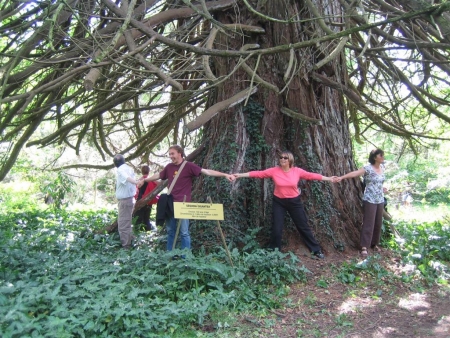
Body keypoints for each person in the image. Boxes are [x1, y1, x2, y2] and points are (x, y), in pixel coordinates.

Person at [233, 150, 336, 259]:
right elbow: (258, 173)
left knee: (303, 226)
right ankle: (274, 251)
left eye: (285, 158)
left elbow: (311, 176)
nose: (282, 159)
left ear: (290, 160)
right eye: (281, 157)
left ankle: (316, 250)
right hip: (279, 202)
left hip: (294, 202)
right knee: (277, 227)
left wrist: (329, 178)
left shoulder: (297, 171)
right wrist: (239, 175)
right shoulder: (274, 171)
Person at [143, 145, 234, 251]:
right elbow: (158, 175)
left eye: (173, 153)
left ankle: (185, 258)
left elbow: (207, 172)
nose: (170, 156)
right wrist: (145, 180)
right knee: (170, 231)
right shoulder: (169, 167)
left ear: (179, 153)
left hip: (183, 204)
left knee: (184, 232)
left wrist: (225, 175)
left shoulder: (189, 166)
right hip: (170, 203)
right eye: (170, 154)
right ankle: (169, 255)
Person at [335, 148, 387, 257]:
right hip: (369, 199)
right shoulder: (368, 168)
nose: (382, 157)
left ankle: (374, 243)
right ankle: (364, 246)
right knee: (369, 222)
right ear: (374, 157)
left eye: (382, 155)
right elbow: (355, 173)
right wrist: (342, 177)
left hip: (380, 199)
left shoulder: (382, 167)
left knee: (378, 223)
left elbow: (380, 182)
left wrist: (383, 189)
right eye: (380, 155)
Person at [113, 154, 140, 249]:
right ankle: (131, 241)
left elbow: (127, 178)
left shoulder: (120, 170)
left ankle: (126, 247)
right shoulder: (129, 168)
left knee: (123, 224)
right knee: (127, 222)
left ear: (115, 164)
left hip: (125, 200)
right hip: (129, 199)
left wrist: (136, 182)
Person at [135, 165, 159, 231]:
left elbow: (135, 191)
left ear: (141, 171)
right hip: (148, 201)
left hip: (140, 201)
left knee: (138, 219)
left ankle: (138, 233)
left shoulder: (139, 181)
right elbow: (158, 185)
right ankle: (148, 231)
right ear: (149, 171)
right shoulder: (152, 180)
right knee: (146, 219)